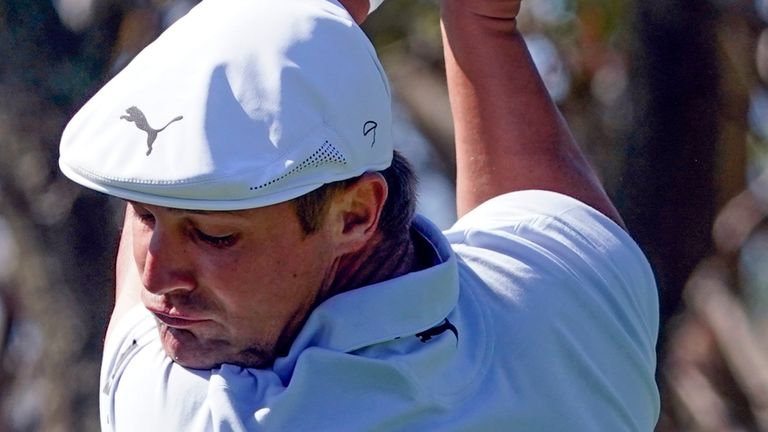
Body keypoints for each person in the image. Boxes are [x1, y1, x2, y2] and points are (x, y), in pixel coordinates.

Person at [59, 0, 660, 430]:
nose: (157, 276)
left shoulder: (201, 413)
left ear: (355, 215)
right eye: (144, 217)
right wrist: (478, 23)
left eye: (215, 236)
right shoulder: (578, 290)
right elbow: (542, 202)